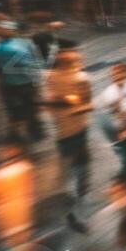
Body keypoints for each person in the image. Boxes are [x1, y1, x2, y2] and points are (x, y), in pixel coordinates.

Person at [45, 47, 95, 232]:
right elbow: (88, 105)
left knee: (73, 173)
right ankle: (77, 213)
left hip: (63, 134)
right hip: (76, 133)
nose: (79, 64)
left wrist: (61, 103)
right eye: (76, 61)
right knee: (80, 173)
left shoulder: (50, 77)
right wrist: (71, 104)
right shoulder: (80, 79)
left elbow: (48, 103)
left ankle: (74, 208)